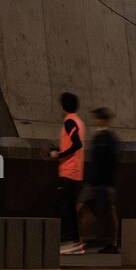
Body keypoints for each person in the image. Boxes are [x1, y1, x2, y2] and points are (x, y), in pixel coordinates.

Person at [49, 92, 85, 255]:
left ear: (63, 106)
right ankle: (76, 243)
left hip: (68, 172)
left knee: (63, 207)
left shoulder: (69, 121)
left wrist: (59, 155)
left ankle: (67, 242)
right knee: (70, 208)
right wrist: (59, 150)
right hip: (77, 172)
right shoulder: (79, 121)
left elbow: (76, 144)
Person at [80, 107, 120, 253]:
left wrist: (106, 182)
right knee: (83, 208)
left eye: (97, 118)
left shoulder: (110, 139)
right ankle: (85, 240)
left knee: (109, 212)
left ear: (103, 120)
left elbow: (111, 162)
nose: (95, 121)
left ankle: (112, 243)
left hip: (104, 183)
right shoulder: (98, 137)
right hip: (93, 182)